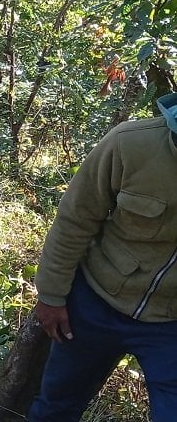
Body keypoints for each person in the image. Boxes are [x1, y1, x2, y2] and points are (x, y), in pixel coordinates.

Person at [29, 94, 177, 421]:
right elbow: (75, 219)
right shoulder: (132, 144)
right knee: (56, 407)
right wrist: (51, 296)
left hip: (170, 324)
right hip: (95, 302)